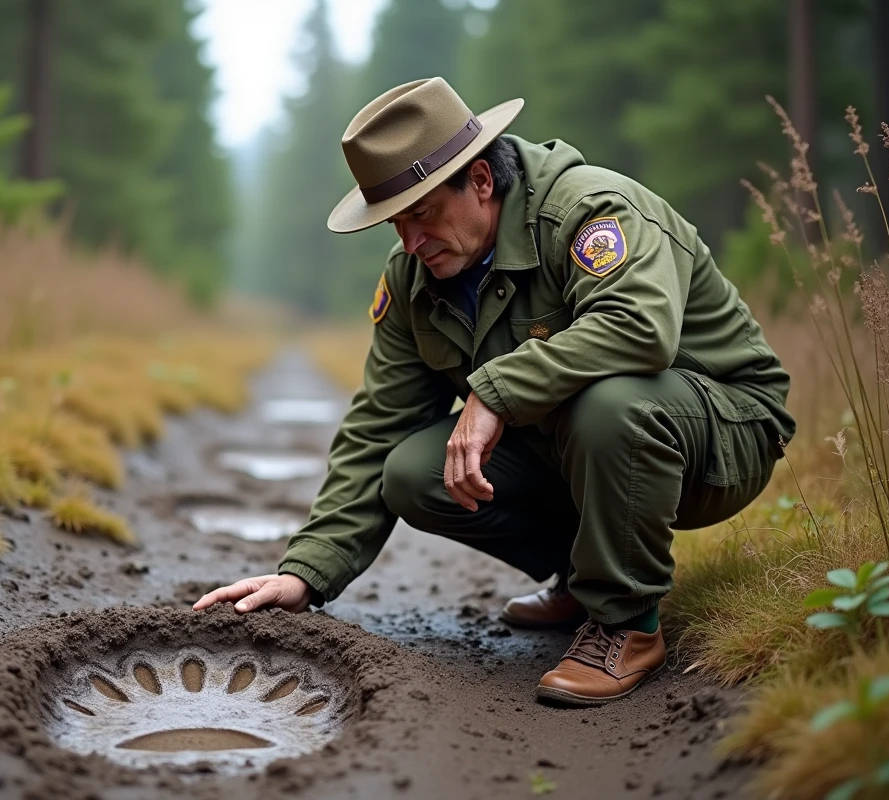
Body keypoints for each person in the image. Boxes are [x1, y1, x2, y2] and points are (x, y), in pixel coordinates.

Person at [194, 77, 795, 706]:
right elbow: (380, 426)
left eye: (423, 213)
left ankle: (627, 625)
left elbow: (639, 330)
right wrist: (306, 573)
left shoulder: (589, 212)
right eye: (396, 224)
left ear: (481, 180)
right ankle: (585, 576)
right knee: (411, 470)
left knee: (610, 405)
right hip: (579, 443)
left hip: (721, 428)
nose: (412, 242)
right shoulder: (413, 280)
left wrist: (494, 392)